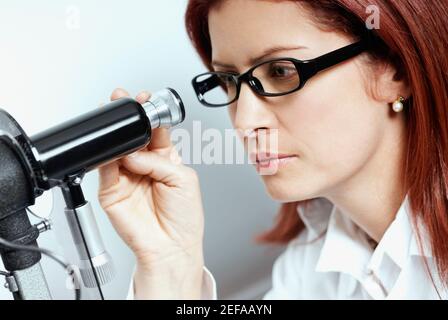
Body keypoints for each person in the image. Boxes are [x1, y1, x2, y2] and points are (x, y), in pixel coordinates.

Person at [98, 0, 448, 299]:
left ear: (394, 70)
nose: (244, 122)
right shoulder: (310, 267)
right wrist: (171, 264)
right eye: (229, 81)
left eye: (281, 71)